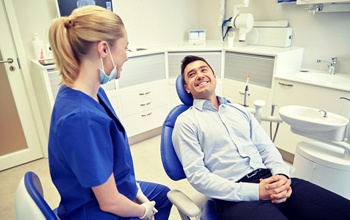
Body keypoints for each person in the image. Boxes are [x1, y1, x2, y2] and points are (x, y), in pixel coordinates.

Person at [172, 55, 350, 220]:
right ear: (187, 87)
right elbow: (198, 176)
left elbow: (266, 147)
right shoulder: (186, 122)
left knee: (343, 209)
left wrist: (281, 175)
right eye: (192, 74)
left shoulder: (240, 111)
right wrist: (256, 191)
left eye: (204, 70)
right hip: (234, 197)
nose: (200, 75)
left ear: (214, 76)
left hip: (271, 178)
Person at [48, 6, 172, 219]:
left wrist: (134, 190)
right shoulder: (80, 118)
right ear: (104, 49)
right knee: (156, 206)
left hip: (114, 187)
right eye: (125, 47)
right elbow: (109, 202)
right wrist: (143, 211)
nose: (126, 56)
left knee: (162, 195)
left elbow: (111, 161)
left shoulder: (90, 93)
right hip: (95, 210)